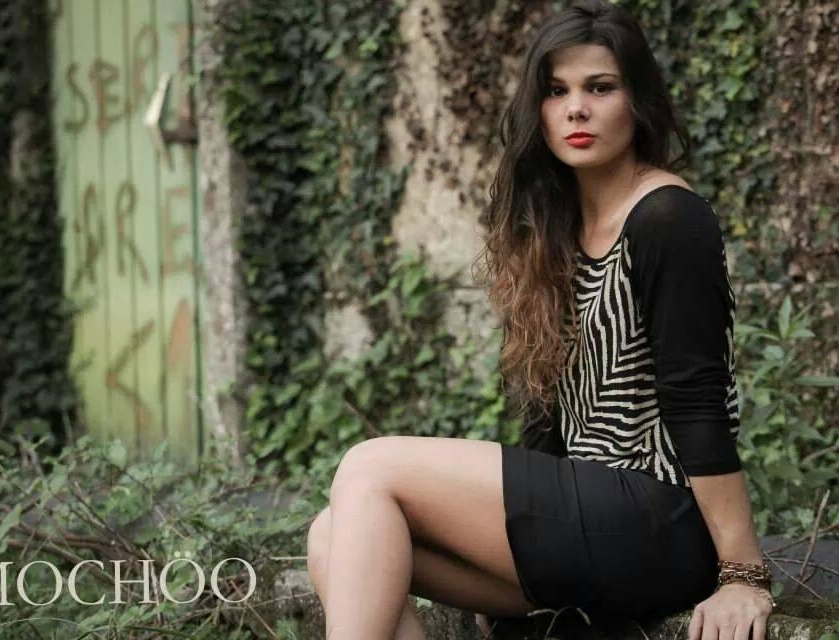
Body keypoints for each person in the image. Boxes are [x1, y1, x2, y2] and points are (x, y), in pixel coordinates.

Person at [304, 1, 775, 638]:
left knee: (369, 466)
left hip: (659, 520)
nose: (576, 109)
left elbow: (697, 396)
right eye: (557, 91)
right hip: (583, 518)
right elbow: (546, 416)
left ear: (638, 103)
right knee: (331, 535)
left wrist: (742, 574)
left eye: (600, 88)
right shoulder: (555, 227)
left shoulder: (668, 218)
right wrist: (498, 541)